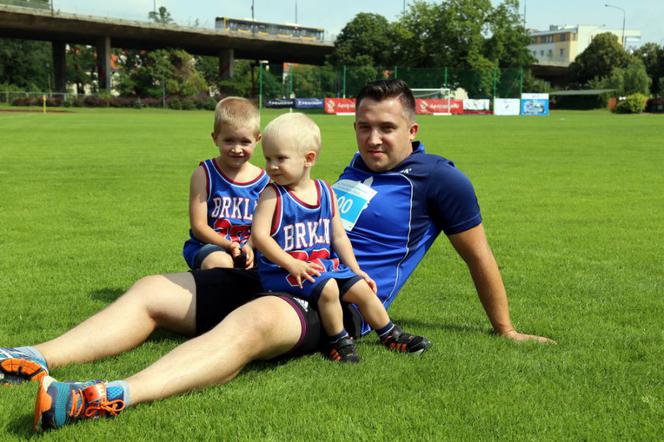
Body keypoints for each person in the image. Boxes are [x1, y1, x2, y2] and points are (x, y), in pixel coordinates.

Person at [0, 79, 553, 432]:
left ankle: (104, 397)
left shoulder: (440, 179)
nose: (372, 138)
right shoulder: (354, 170)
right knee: (154, 288)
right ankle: (28, 358)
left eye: (387, 128)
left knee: (254, 322)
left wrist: (503, 328)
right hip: (279, 270)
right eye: (363, 126)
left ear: (413, 128)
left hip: (337, 297)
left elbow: (479, 257)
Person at [252, 113, 430, 363]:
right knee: (328, 288)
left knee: (362, 289)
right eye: (268, 158)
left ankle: (390, 333)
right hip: (284, 271)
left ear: (308, 159)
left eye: (280, 158)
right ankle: (338, 339)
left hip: (320, 266)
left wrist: (355, 269)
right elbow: (259, 236)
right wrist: (290, 263)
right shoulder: (272, 195)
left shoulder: (325, 191)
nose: (271, 166)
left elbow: (338, 236)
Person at [182, 96, 268, 270]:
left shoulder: (264, 180)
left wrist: (250, 247)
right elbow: (198, 226)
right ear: (215, 138)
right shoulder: (204, 174)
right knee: (221, 263)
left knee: (277, 258)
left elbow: (264, 226)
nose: (237, 149)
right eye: (229, 141)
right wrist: (229, 246)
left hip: (250, 246)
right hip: (209, 246)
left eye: (245, 142)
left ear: (257, 140)